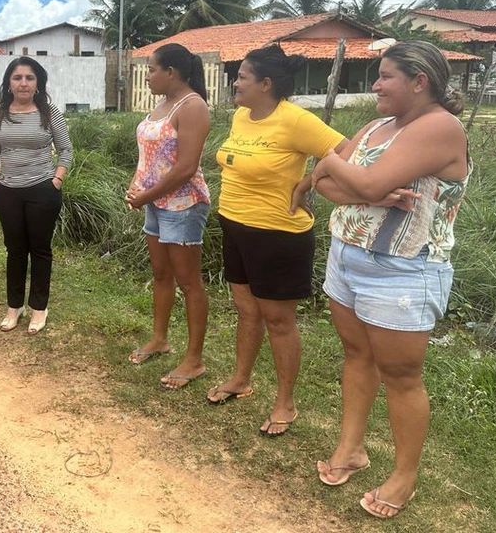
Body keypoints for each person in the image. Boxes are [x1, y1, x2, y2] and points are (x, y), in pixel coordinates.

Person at [311, 41, 470, 519]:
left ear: (419, 82)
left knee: (402, 376)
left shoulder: (440, 126)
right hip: (349, 254)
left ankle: (404, 475)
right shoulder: (380, 126)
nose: (375, 85)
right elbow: (328, 188)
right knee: (357, 355)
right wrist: (347, 178)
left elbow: (356, 183)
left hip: (403, 267)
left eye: (385, 77)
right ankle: (352, 448)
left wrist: (332, 163)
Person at [208, 45, 347, 436]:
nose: (235, 82)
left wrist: (307, 183)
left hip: (278, 234)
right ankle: (240, 379)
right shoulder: (240, 116)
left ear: (266, 84)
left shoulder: (295, 120)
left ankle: (286, 402)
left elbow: (348, 151)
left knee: (278, 319)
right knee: (245, 308)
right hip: (234, 224)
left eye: (242, 77)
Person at [126, 43, 212, 390]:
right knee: (162, 275)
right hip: (156, 203)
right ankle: (160, 339)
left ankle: (194, 359)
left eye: (151, 69)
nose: (147, 76)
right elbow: (150, 157)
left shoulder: (193, 107)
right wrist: (139, 190)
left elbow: (186, 167)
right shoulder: (163, 104)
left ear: (171, 72)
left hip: (183, 205)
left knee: (189, 282)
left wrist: (145, 195)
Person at [0, 57, 73, 335]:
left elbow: (66, 150)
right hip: (8, 192)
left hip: (42, 191)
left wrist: (56, 180)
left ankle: (39, 308)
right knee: (14, 250)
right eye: (17, 77)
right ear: (9, 83)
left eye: (29, 78)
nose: (23, 83)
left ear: (38, 83)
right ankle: (14, 307)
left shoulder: (49, 112)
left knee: (40, 250)